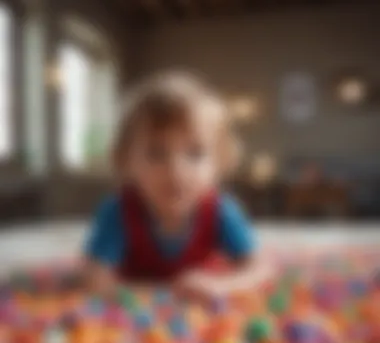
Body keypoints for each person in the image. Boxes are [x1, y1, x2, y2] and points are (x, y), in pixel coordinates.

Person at [85, 72, 268, 300]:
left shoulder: (221, 210)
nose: (176, 170)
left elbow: (259, 269)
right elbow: (96, 280)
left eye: (195, 153)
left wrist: (222, 286)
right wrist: (158, 294)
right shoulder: (118, 211)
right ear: (125, 161)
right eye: (156, 153)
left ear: (220, 161)